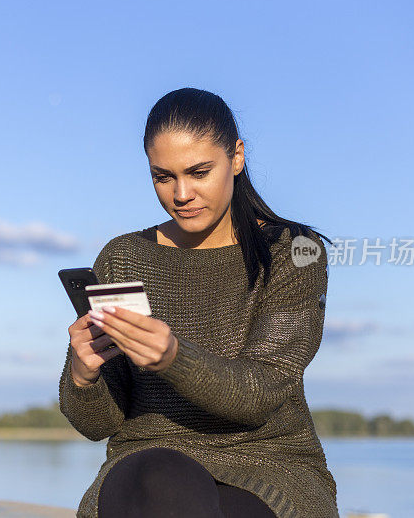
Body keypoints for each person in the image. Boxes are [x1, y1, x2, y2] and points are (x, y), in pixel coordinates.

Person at [58, 87, 338, 518]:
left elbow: (260, 393)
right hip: (146, 467)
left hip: (268, 467)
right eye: (163, 176)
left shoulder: (296, 251)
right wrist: (82, 374)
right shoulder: (123, 257)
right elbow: (98, 426)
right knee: (161, 478)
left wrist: (173, 357)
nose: (181, 194)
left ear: (237, 157)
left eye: (199, 172)